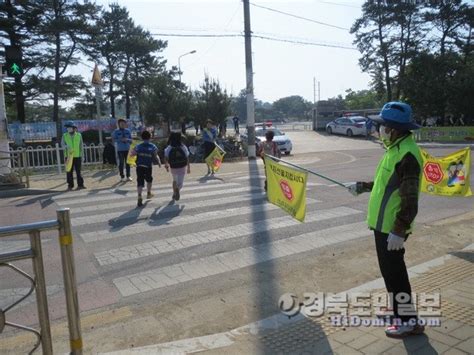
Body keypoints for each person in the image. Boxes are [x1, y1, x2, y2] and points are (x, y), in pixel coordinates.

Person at [347, 102, 424, 338]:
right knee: (389, 272)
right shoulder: (395, 149)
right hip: (384, 226)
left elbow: (410, 200)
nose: (380, 130)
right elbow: (387, 184)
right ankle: (399, 311)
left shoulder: (407, 154)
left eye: (383, 126)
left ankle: (408, 321)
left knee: (395, 273)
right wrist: (362, 187)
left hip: (392, 228)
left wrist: (399, 231)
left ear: (396, 129)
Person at [129, 130, 161, 207]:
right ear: (150, 137)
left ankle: (139, 195)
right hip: (148, 166)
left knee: (140, 181)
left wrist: (132, 153)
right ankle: (148, 193)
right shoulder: (152, 146)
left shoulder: (138, 146)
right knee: (149, 180)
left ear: (142, 138)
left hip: (139, 166)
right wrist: (159, 162)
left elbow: (132, 154)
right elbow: (156, 155)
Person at [164, 132, 191, 201]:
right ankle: (177, 190)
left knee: (174, 180)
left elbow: (166, 157)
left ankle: (174, 193)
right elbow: (187, 157)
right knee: (180, 183)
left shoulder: (169, 147)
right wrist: (188, 167)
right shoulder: (183, 147)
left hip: (173, 167)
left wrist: (166, 164)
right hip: (182, 166)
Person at [61, 121, 85, 191]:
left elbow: (81, 146)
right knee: (69, 171)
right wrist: (66, 146)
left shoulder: (79, 135)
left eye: (70, 127)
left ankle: (80, 185)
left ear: (74, 128)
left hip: (77, 156)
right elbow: (62, 145)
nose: (68, 129)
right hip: (68, 156)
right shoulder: (64, 135)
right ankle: (70, 185)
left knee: (78, 171)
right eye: (67, 128)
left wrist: (82, 156)